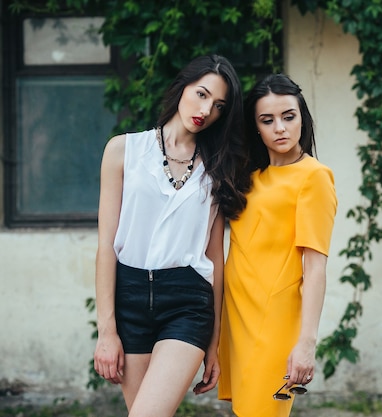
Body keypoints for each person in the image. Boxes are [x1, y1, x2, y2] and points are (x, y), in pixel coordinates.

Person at [93, 54, 250, 417]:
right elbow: (105, 247)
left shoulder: (218, 169)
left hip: (187, 302)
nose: (206, 109)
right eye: (201, 94)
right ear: (182, 87)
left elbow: (215, 260)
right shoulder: (123, 151)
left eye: (219, 105)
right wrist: (107, 331)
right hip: (129, 297)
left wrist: (214, 344)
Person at [212, 74, 337, 417]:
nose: (280, 128)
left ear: (302, 119)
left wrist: (306, 343)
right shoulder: (247, 177)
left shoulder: (314, 177)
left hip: (275, 322)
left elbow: (314, 267)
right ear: (255, 127)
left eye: (288, 117)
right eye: (267, 120)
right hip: (237, 318)